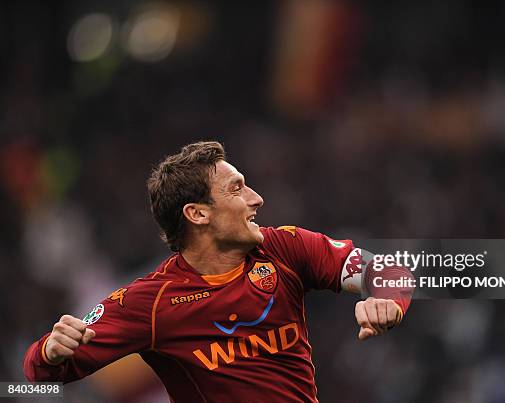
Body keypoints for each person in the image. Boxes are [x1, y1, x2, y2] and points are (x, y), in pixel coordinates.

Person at [23, 141, 412, 402]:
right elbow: (40, 376)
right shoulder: (152, 303)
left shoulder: (284, 249)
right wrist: (50, 352)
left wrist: (388, 303)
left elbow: (391, 270)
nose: (256, 199)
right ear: (198, 213)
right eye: (236, 189)